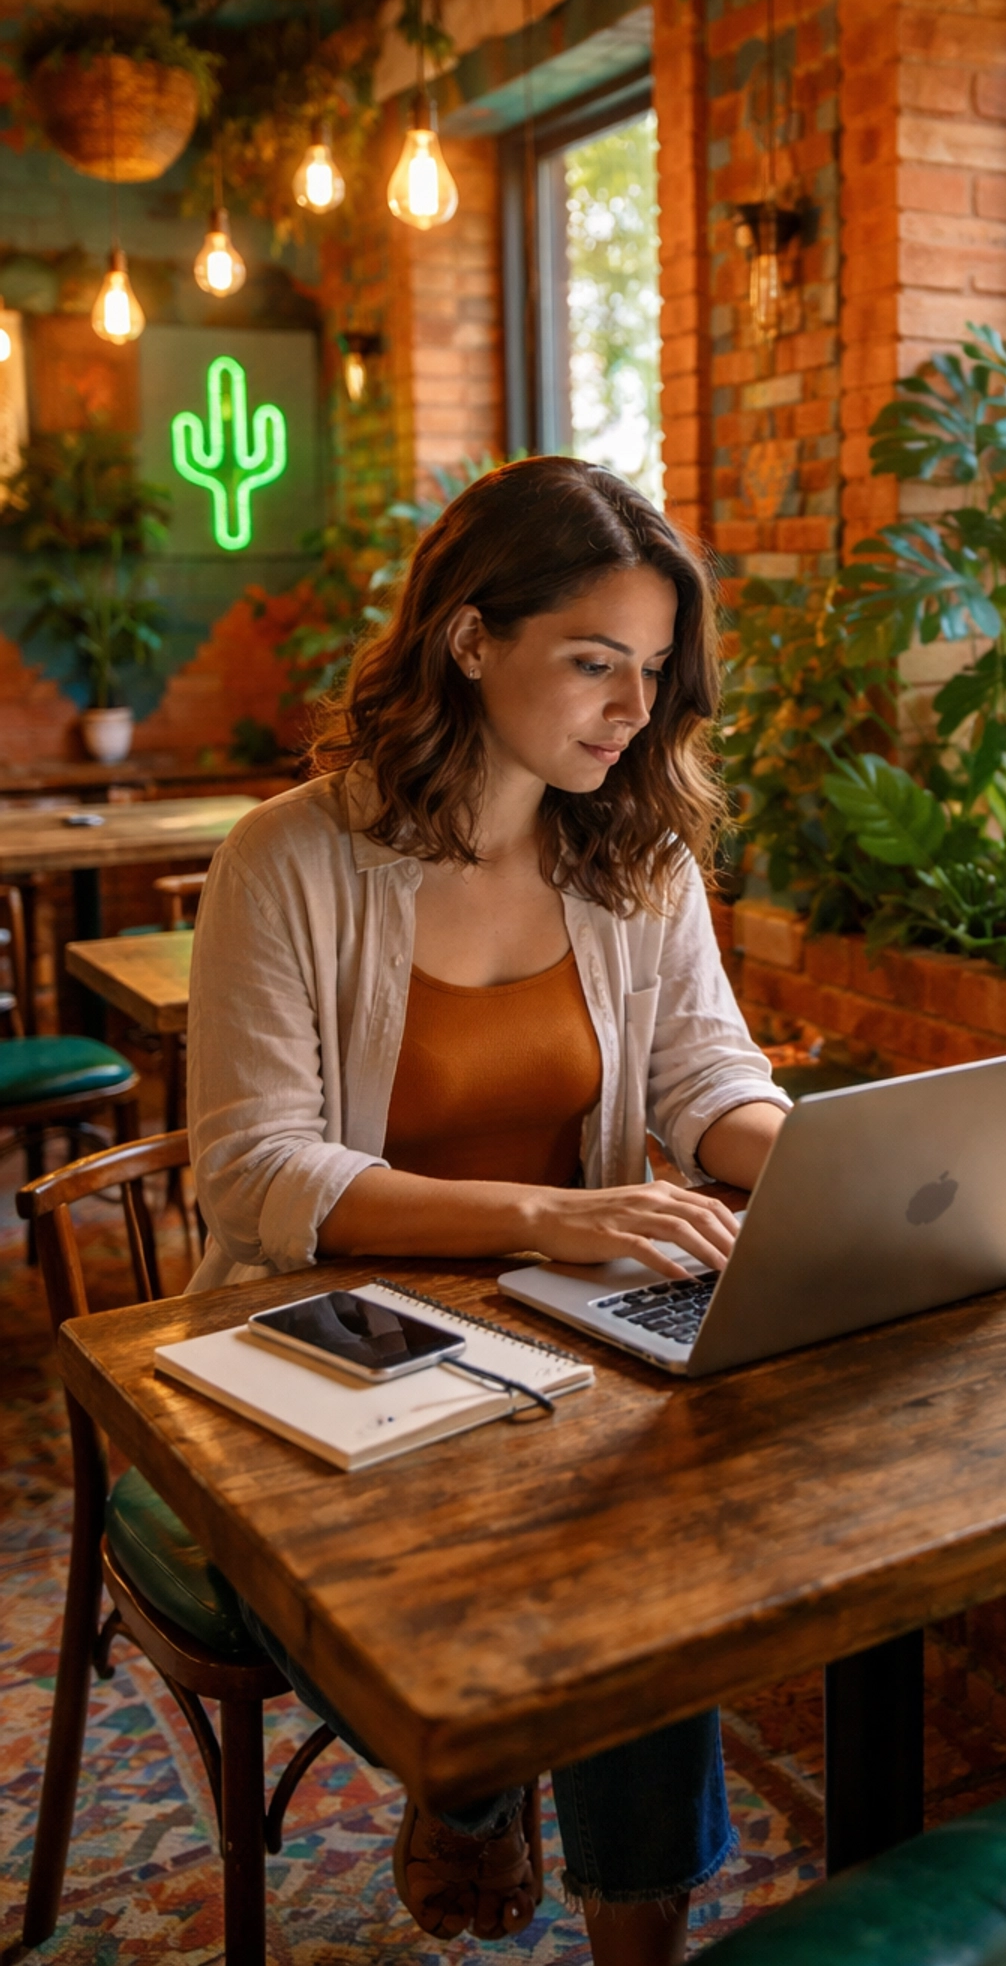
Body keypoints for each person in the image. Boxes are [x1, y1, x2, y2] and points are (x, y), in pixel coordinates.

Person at [185, 456, 791, 1956]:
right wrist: (550, 1219)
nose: (630, 707)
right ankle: (472, 1775)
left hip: (560, 1352)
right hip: (316, 1347)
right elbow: (255, 1171)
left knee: (648, 1579)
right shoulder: (289, 859)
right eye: (592, 662)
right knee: (568, 1603)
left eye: (650, 671)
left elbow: (709, 1082)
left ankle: (613, 1916)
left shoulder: (635, 857)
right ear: (470, 639)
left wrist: (834, 1163)